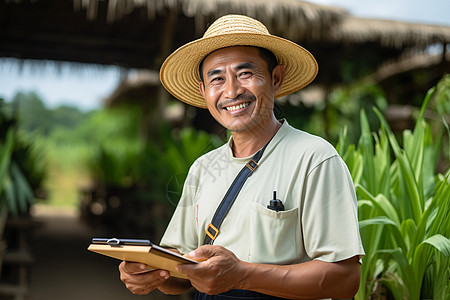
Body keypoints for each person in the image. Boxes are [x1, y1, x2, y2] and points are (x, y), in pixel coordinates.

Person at [119, 14, 365, 299]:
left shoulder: (314, 159)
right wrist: (152, 273)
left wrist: (243, 275)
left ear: (275, 78)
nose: (232, 91)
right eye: (217, 79)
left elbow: (345, 279)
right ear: (204, 91)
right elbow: (181, 273)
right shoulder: (203, 168)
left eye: (245, 74)